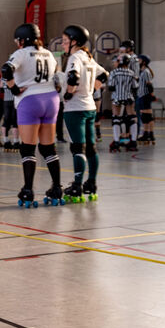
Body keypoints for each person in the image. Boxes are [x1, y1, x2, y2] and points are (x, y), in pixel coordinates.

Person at [4, 23, 63, 207]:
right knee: (48, 149)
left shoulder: (21, 53)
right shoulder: (48, 53)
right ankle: (57, 188)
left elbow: (6, 70)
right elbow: (57, 76)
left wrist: (14, 89)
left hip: (30, 100)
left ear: (22, 40)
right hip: (51, 100)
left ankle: (28, 190)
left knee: (28, 149)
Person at [60, 25, 104, 202]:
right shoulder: (88, 57)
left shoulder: (75, 57)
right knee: (91, 147)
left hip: (75, 108)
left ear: (74, 42)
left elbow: (73, 77)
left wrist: (68, 94)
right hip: (90, 107)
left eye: (65, 41)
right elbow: (104, 75)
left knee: (78, 147)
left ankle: (77, 186)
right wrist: (91, 90)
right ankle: (91, 183)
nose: (62, 44)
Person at [107, 55, 139, 149]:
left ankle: (116, 141)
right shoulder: (131, 73)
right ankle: (133, 141)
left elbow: (111, 86)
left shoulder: (114, 72)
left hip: (117, 97)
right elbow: (135, 87)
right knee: (132, 118)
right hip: (129, 97)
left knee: (116, 118)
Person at [136, 55, 156, 143]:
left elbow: (149, 84)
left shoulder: (146, 72)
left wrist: (151, 95)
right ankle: (149, 134)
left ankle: (148, 134)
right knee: (146, 116)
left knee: (146, 116)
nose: (138, 61)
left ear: (144, 62)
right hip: (142, 95)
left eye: (139, 60)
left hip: (145, 95)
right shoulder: (143, 72)